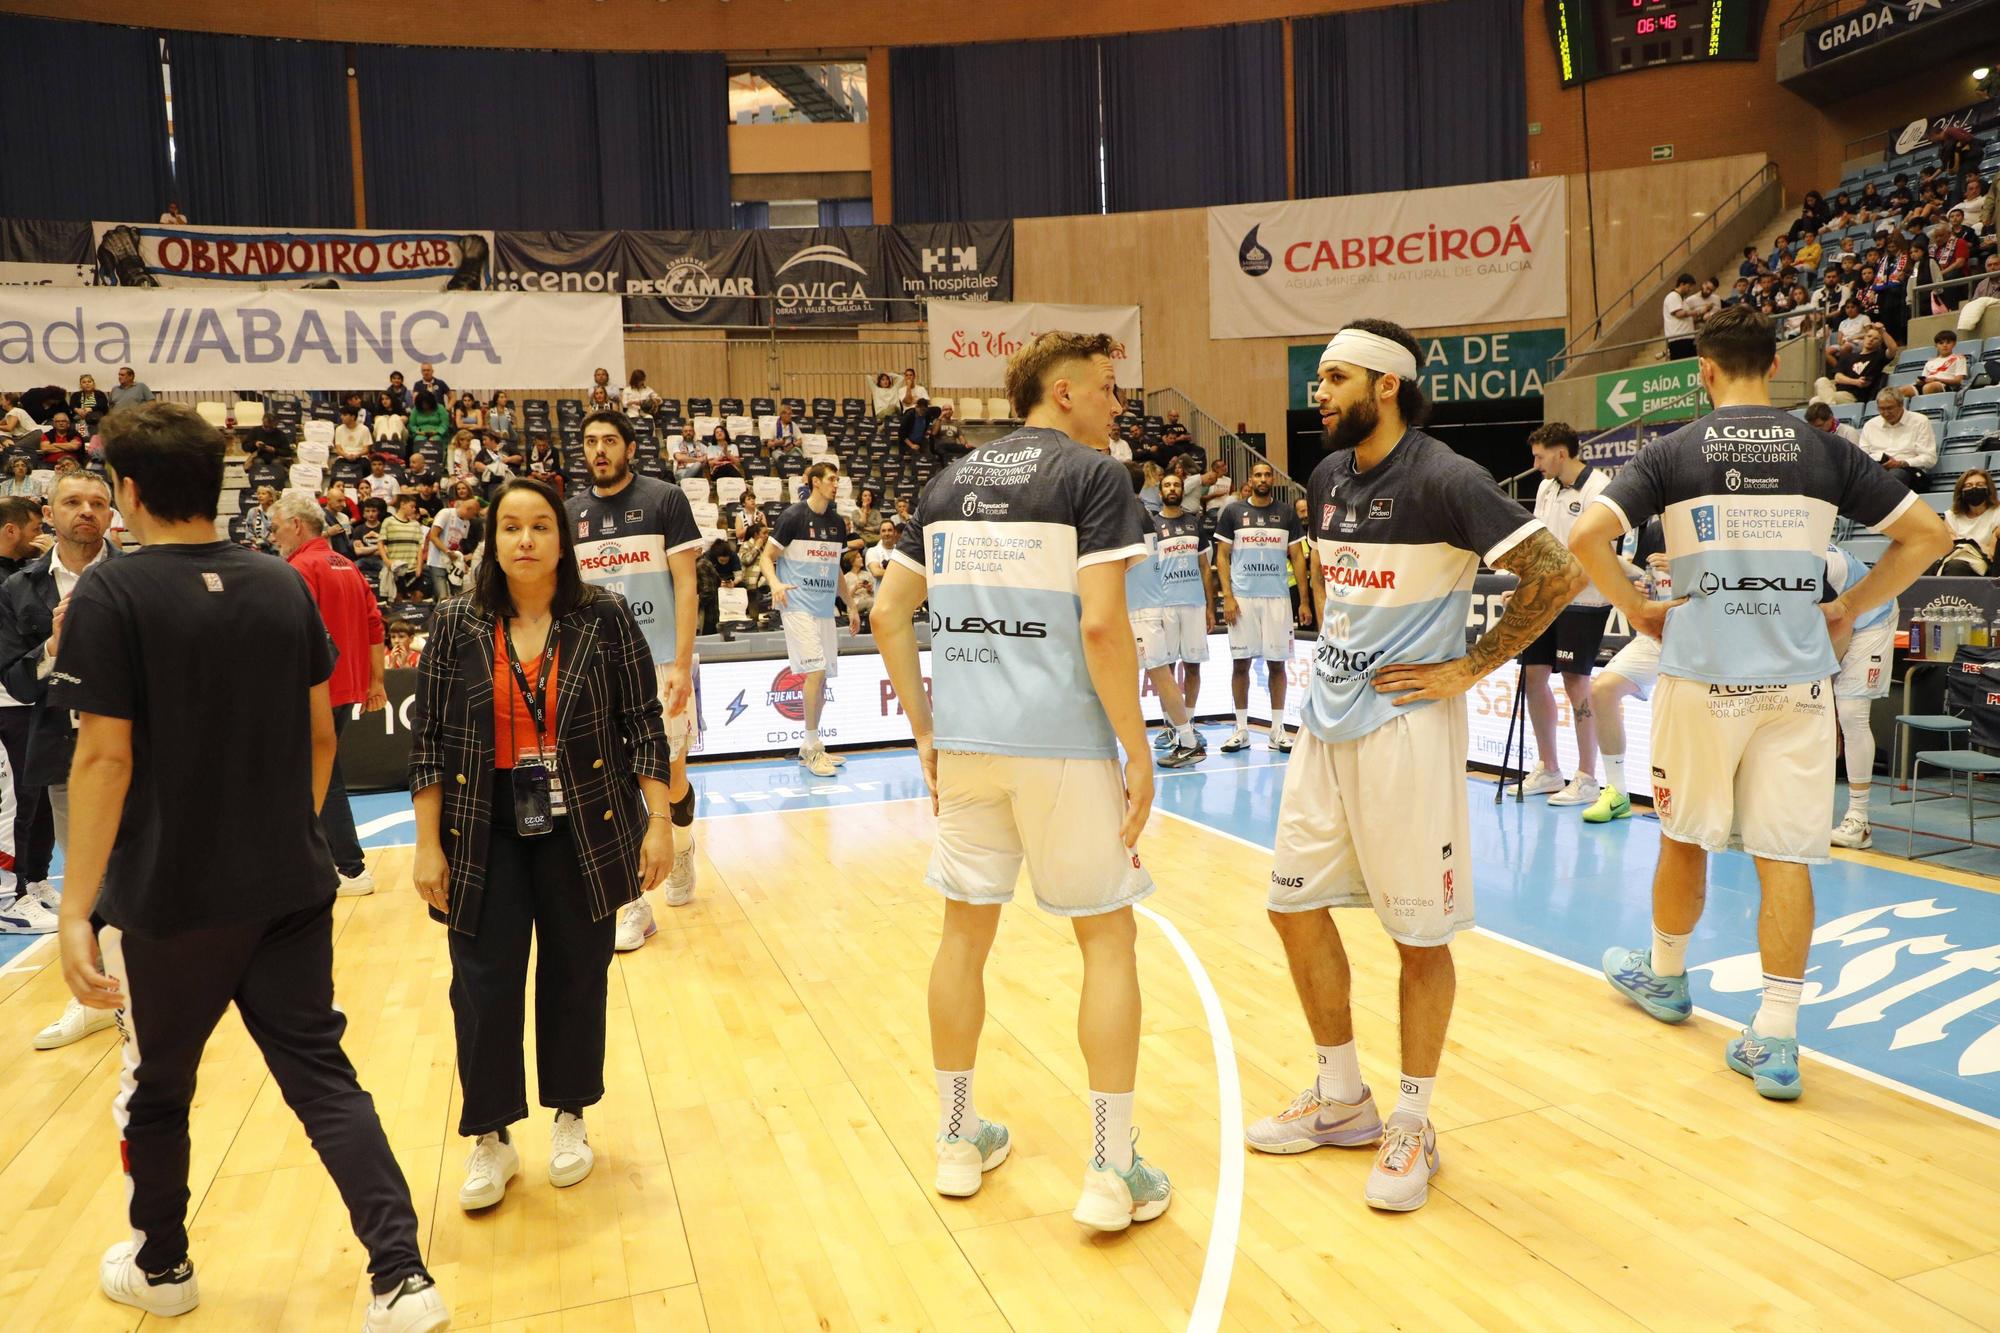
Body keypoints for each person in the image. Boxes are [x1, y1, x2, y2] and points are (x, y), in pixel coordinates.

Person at [50, 402, 448, 1329]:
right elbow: (321, 738)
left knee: (160, 1089)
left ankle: (164, 1265)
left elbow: (103, 760)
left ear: (129, 492)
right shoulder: (280, 582)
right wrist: (278, 832)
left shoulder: (115, 595)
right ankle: (402, 1277)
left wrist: (76, 910)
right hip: (289, 884)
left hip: (172, 900)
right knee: (323, 1075)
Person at [1245, 318, 1584, 1213]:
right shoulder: (1324, 477)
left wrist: (1470, 666)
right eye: (1318, 378)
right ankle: (1342, 1096)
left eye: (1333, 377)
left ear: (1386, 385)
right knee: (1291, 906)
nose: (1317, 393)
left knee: (1417, 934)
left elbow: (1557, 575)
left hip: (1404, 728)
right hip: (1326, 722)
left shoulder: (1448, 478)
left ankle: (1413, 1120)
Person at [1571, 304, 1950, 1101]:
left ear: (1704, 370)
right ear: (1772, 366)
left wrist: (1635, 604)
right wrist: (1849, 607)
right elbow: (1930, 536)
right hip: (1798, 687)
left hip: (1704, 682)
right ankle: (1775, 1037)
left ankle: (1667, 975)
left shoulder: (1673, 450)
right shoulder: (1825, 450)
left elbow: (1585, 539)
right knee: (1786, 855)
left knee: (1683, 832)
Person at [871, 330, 1172, 1231]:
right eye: (1111, 388)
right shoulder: (1095, 477)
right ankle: (1112, 1171)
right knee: (1107, 941)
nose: (1120, 404)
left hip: (967, 744)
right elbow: (1105, 630)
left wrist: (926, 733)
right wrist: (1138, 748)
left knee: (964, 935)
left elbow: (889, 612)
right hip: (1063, 745)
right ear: (1066, 390)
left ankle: (957, 1140)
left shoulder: (947, 481)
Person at [408, 477, 672, 1218]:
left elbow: (643, 724)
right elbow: (428, 742)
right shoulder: (456, 620)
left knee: (575, 974)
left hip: (583, 824)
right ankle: (489, 1132)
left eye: (540, 526)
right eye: (510, 527)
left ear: (564, 539)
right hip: (481, 829)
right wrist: (428, 845)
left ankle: (569, 1115)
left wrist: (660, 823)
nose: (525, 539)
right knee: (482, 984)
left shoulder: (605, 617)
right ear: (491, 539)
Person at [567, 410, 704, 949]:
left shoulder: (665, 498)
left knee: (668, 776)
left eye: (608, 441)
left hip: (662, 659)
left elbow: (687, 587)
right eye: (590, 442)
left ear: (628, 447)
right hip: (598, 664)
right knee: (612, 778)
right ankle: (633, 903)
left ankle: (682, 846)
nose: (599, 449)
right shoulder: (571, 512)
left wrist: (685, 667)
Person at [0, 475, 115, 1036]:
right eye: (73, 502)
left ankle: (165, 988)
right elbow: (17, 682)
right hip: (68, 753)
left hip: (146, 751)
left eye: (97, 503)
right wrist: (51, 646)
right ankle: (96, 996)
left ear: (114, 514)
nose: (86, 512)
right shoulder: (19, 590)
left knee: (152, 871)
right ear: (50, 512)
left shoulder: (138, 576)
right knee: (89, 879)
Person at [271, 493, 387, 896]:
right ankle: (328, 861)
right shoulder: (347, 565)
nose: (274, 535)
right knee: (323, 771)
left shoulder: (300, 567)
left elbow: (294, 635)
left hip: (315, 688)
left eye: (277, 525)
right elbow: (375, 625)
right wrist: (376, 682)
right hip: (345, 685)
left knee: (324, 774)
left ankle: (349, 868)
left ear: (297, 525)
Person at [1515, 422, 1613, 807]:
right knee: (1533, 677)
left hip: (1584, 600)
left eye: (1540, 457)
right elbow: (1541, 542)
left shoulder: (1599, 489)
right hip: (1546, 598)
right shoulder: (1545, 487)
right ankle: (1550, 768)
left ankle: (1588, 777)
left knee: (1576, 684)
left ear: (1561, 453)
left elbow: (1598, 552)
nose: (1536, 464)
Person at [761, 462, 855, 777]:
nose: (836, 484)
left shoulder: (838, 523)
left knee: (823, 676)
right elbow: (766, 557)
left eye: (838, 480)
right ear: (815, 482)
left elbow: (836, 569)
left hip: (825, 609)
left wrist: (851, 605)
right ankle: (813, 747)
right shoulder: (793, 517)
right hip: (796, 605)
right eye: (831, 479)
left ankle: (811, 746)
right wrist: (774, 583)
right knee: (814, 672)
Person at [1580, 516, 1669, 825]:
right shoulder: (1655, 529)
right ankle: (1617, 792)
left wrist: (1687, 570)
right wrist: (1646, 588)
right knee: (1602, 690)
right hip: (1658, 635)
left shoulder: (1714, 524)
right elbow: (1650, 581)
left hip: (1704, 639)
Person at [1214, 462, 1308, 754]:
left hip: (1277, 598)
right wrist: (1227, 596)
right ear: (1250, 480)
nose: (1263, 479)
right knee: (1240, 663)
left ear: (1272, 480)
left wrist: (1303, 601)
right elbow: (1222, 555)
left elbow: (1297, 557)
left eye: (1268, 475)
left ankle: (1276, 730)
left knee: (1277, 663)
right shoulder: (1232, 512)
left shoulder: (1287, 513)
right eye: (1258, 475)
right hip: (1243, 599)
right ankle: (1241, 730)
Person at [1120, 462, 1203, 769]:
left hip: (1143, 608)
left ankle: (1189, 742)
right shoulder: (1137, 509)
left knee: (1160, 674)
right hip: (1141, 605)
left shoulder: (1128, 512)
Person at [1823, 541, 1900, 851]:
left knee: (1850, 714)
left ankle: (1859, 820)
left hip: (1871, 619)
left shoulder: (1822, 567)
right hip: (1837, 621)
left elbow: (1840, 628)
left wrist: (1827, 694)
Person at [1148, 467, 1216, 763]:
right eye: (1168, 485)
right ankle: (1169, 726)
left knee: (1193, 667)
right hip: (1164, 605)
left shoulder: (1194, 524)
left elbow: (1204, 567)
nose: (1173, 488)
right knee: (1167, 667)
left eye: (1177, 484)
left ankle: (1187, 724)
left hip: (1193, 605)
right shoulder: (1152, 526)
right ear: (1161, 492)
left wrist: (1211, 606)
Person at [1857, 390, 1936, 491]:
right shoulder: (1870, 425)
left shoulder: (1920, 421)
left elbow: (1929, 458)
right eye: (1881, 409)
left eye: (1890, 408)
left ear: (1901, 405)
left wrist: (1901, 463)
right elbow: (1862, 456)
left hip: (1910, 471)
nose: (1886, 413)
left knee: (1895, 475)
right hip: (1878, 470)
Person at [1812, 324, 1896, 404]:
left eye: (1876, 338)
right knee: (1821, 381)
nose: (1871, 340)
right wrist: (1855, 382)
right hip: (1837, 391)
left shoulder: (1878, 356)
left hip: (1853, 396)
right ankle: (1832, 410)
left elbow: (1893, 349)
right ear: (1864, 338)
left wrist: (1882, 331)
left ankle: (1831, 411)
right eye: (1869, 336)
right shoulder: (1848, 357)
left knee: (1815, 401)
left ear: (1880, 343)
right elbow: (1838, 377)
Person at [1938, 467, 2000, 575]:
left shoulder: (1997, 511)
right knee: (1954, 565)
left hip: (1989, 563)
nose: (1974, 488)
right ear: (1961, 491)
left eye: (1980, 485)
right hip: (1959, 559)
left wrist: (1995, 535)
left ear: (1988, 489)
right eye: (1968, 486)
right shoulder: (1952, 515)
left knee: (1956, 567)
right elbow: (1951, 544)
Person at [421, 495, 476, 602]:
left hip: (453, 563)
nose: (473, 517)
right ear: (468, 509)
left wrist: (461, 561)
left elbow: (459, 543)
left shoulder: (466, 523)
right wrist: (447, 551)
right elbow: (433, 536)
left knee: (458, 597)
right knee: (443, 598)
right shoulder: (446, 513)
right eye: (473, 514)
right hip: (437, 560)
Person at [380, 495, 428, 600]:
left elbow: (419, 547)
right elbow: (380, 543)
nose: (414, 509)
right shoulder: (388, 521)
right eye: (412, 506)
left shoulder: (415, 524)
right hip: (397, 569)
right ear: (402, 505)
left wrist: (420, 566)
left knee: (419, 596)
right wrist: (387, 561)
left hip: (413, 568)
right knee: (398, 599)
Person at [1905, 329, 1969, 398]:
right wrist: (1920, 381)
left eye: (1948, 342)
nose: (1944, 345)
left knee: (1929, 387)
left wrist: (1937, 379)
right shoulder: (1930, 362)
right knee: (1903, 391)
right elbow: (1924, 378)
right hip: (1927, 384)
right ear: (1936, 345)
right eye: (1941, 343)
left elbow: (1958, 381)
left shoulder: (1959, 358)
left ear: (1954, 344)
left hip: (1945, 386)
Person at [1662, 273, 1698, 360]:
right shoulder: (1672, 297)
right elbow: (1679, 314)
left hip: (1688, 337)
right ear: (1682, 284)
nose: (1690, 289)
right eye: (1689, 286)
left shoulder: (1683, 300)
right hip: (1678, 339)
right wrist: (1695, 312)